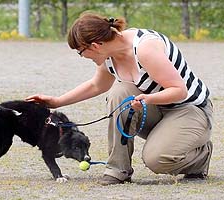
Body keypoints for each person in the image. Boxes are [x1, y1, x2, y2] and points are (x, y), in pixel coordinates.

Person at [26, 12, 213, 186]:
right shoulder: (109, 55)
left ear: (95, 46)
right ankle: (118, 169)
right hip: (157, 107)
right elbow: (97, 85)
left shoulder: (145, 48)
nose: (82, 57)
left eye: (80, 52)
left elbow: (179, 90)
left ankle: (201, 156)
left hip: (189, 109)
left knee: (157, 160)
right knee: (119, 91)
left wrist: (148, 99)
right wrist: (56, 102)